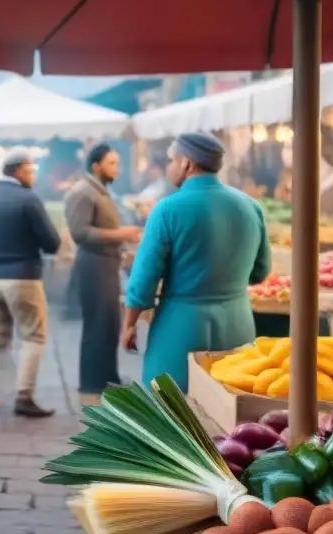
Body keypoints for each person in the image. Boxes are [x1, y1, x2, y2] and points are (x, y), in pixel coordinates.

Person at [121, 132, 271, 390]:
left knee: (174, 410)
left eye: (171, 160)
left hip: (181, 330)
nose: (169, 167)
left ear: (186, 163)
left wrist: (129, 325)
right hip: (238, 326)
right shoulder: (250, 206)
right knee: (232, 415)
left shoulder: (166, 210)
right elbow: (260, 272)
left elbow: (143, 281)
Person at [0, 147, 61, 417]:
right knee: (33, 336)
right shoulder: (28, 200)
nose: (33, 175)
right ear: (19, 170)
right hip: (23, 280)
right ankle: (23, 396)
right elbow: (52, 243)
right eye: (31, 170)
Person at [64, 145, 142, 396]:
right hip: (93, 266)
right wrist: (122, 234)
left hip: (107, 264)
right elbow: (80, 232)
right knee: (97, 324)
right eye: (111, 163)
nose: (116, 168)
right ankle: (92, 382)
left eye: (117, 162)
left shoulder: (101, 191)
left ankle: (108, 377)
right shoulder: (83, 192)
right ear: (96, 165)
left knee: (109, 323)